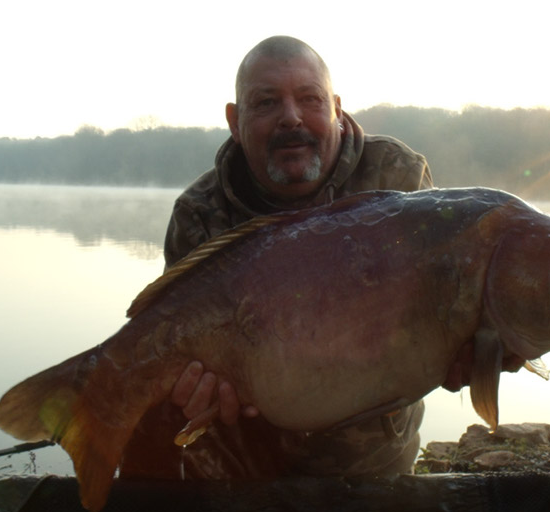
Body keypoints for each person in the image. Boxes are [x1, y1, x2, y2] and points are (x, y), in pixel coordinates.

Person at [120, 35, 459, 480]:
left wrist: (469, 345)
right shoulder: (199, 213)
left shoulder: (398, 178)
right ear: (235, 121)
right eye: (266, 103)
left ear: (336, 109)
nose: (291, 118)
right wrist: (189, 392)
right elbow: (174, 341)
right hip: (240, 468)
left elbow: (439, 309)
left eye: (309, 99)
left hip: (370, 468)